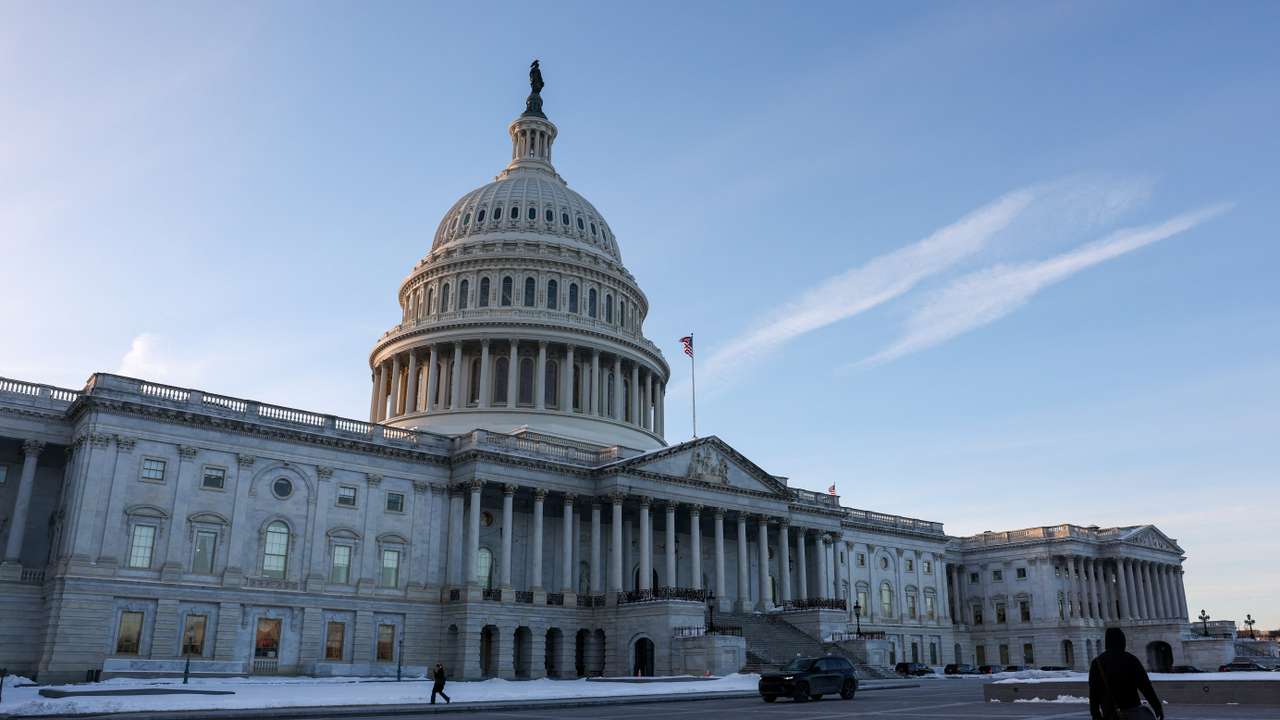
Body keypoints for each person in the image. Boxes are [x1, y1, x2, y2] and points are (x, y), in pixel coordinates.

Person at [1088, 628, 1163, 719]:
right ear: (1122, 641)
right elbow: (1146, 686)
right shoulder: (1131, 659)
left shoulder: (1097, 662)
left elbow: (1093, 692)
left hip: (1110, 713)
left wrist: (1095, 714)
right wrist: (1157, 707)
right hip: (1132, 710)